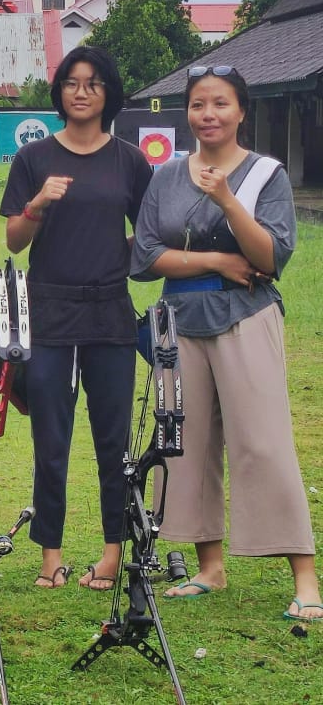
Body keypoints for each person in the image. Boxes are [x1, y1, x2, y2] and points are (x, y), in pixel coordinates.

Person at [130, 65, 320, 620]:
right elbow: (143, 257)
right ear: (186, 112)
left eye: (220, 104)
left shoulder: (267, 175)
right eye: (197, 105)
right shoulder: (165, 174)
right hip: (179, 318)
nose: (207, 115)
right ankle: (209, 568)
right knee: (185, 445)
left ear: (240, 111)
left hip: (245, 316)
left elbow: (270, 258)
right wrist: (213, 259)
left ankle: (305, 578)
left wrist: (229, 200)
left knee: (263, 441)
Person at [0, 46, 152, 591]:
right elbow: (13, 239)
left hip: (111, 312)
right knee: (52, 437)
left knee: (112, 439)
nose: (81, 91)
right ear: (59, 91)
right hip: (50, 312)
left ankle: (113, 552)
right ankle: (51, 554)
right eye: (71, 82)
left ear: (108, 92)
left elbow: (151, 234)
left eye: (92, 82)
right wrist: (37, 204)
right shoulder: (35, 158)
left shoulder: (130, 160)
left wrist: (120, 255)